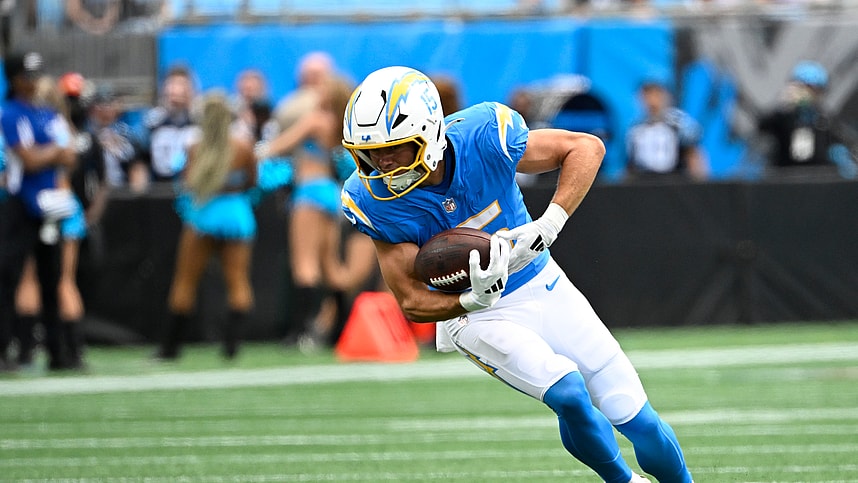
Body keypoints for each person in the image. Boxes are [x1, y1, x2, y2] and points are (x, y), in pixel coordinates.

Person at [340, 66, 694, 483]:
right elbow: (411, 300)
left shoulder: (483, 136)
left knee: (636, 416)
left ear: (429, 133)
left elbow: (586, 147)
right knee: (568, 392)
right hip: (474, 316)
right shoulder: (371, 198)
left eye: (394, 148)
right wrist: (469, 299)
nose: (381, 163)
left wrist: (549, 224)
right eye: (370, 152)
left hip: (539, 280)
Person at [256, 74, 368, 349]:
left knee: (304, 265)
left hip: (308, 192)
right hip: (330, 192)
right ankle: (339, 330)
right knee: (331, 266)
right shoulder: (338, 124)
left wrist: (253, 154)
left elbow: (278, 147)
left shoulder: (316, 120)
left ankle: (300, 333)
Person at [156, 92, 257, 361]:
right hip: (236, 216)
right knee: (238, 280)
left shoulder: (194, 147)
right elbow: (252, 181)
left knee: (185, 281)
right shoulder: (243, 146)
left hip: (204, 214)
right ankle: (232, 348)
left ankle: (170, 349)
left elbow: (187, 183)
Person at [0, 51, 78, 371]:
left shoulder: (47, 113)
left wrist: (47, 154)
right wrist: (53, 153)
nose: (33, 82)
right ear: (14, 79)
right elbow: (29, 160)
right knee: (8, 276)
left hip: (49, 205)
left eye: (35, 75)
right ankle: (4, 350)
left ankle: (58, 353)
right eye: (27, 76)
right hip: (20, 203)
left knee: (52, 277)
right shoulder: (9, 113)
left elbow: (70, 155)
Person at [757, 60, 856, 177]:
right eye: (802, 88)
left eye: (814, 90)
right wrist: (783, 106)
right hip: (785, 178)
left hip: (819, 179)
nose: (807, 94)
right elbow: (762, 128)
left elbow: (843, 145)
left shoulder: (824, 120)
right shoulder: (780, 118)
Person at [625, 76, 708, 182]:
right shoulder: (635, 128)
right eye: (647, 95)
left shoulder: (678, 123)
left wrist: (700, 182)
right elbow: (631, 164)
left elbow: (692, 154)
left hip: (674, 182)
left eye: (656, 94)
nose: (652, 100)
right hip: (644, 182)